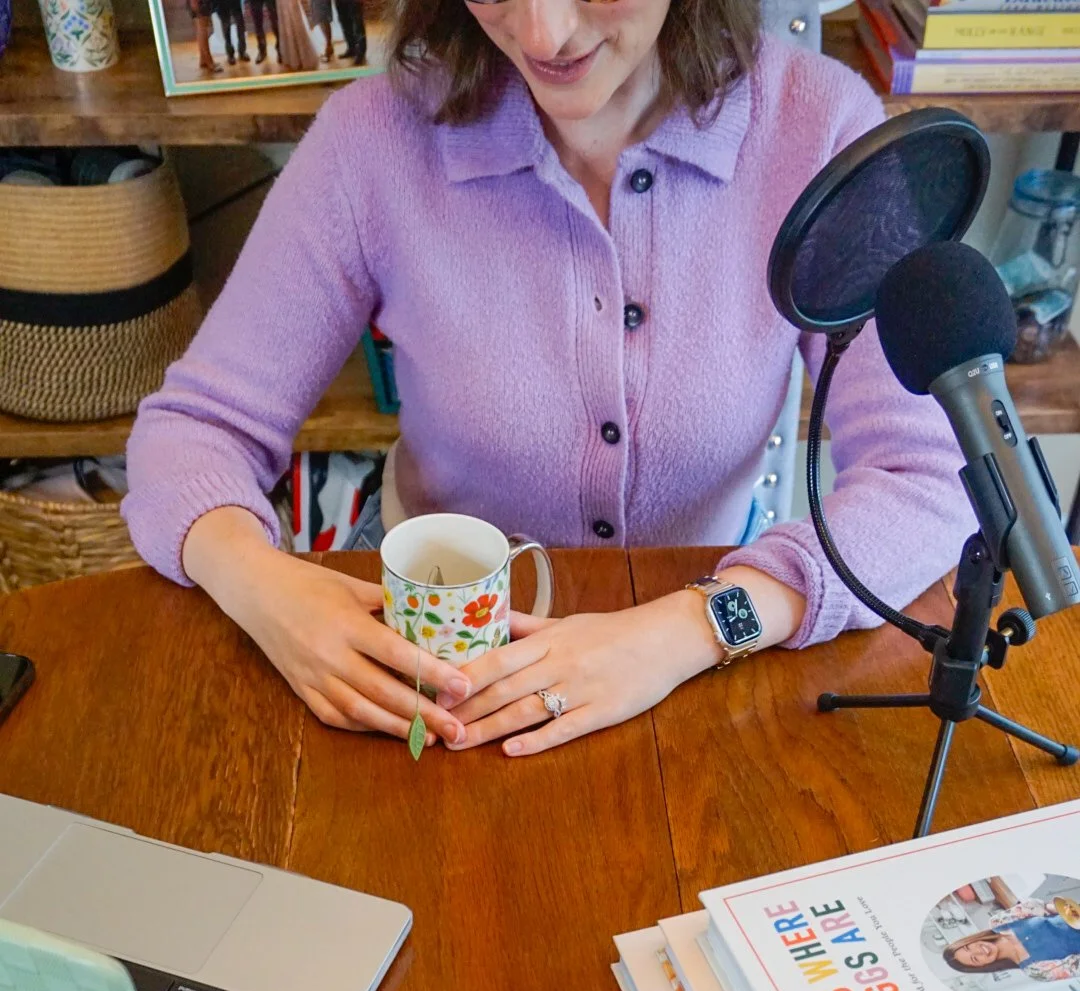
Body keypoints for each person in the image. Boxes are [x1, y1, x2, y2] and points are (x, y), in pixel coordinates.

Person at [124, 0, 971, 757]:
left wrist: (695, 626)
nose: (543, 33)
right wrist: (263, 586)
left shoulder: (816, 126)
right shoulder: (370, 139)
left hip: (711, 645)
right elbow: (195, 430)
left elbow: (930, 474)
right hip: (434, 656)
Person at [942, 900, 1080, 984]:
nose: (979, 950)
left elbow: (1039, 906)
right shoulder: (1035, 971)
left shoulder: (998, 922)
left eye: (968, 947)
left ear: (970, 940)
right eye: (975, 958)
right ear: (982, 966)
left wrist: (1063, 909)